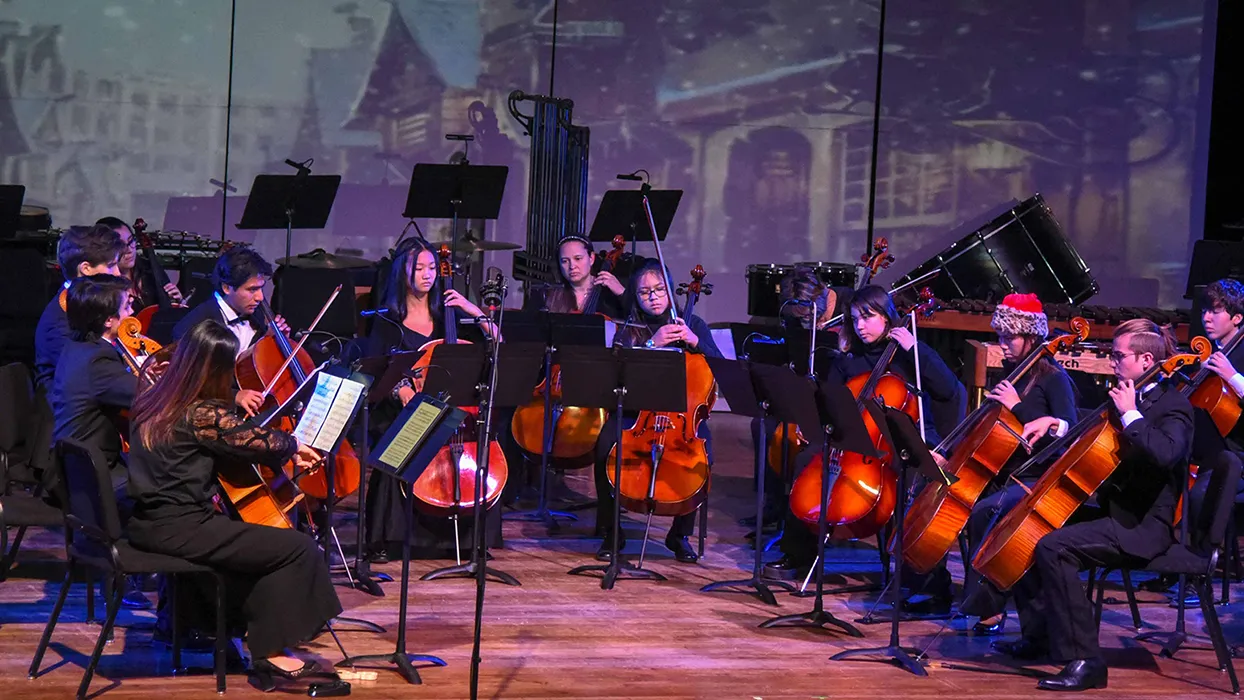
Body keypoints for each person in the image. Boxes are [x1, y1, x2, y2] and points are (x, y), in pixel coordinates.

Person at [125, 318, 342, 689]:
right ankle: (270, 651)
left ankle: (248, 634)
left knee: (259, 550)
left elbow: (231, 439)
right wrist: (293, 447)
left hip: (148, 522)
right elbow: (248, 439)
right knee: (298, 548)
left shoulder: (154, 397)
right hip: (182, 527)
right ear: (216, 369)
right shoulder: (200, 414)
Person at [990, 318, 1192, 692]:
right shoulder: (1132, 394)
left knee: (1054, 548)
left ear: (1147, 359)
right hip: (1114, 510)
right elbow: (1094, 428)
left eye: (1118, 356)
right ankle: (1039, 637)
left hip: (1142, 527)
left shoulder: (1173, 405)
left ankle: (1086, 660)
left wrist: (1132, 414)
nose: (1112, 362)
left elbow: (1166, 453)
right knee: (1032, 525)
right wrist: (1055, 422)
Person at [766, 284, 963, 577]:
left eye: (868, 317)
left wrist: (915, 348)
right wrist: (815, 426)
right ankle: (798, 554)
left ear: (887, 317)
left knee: (912, 477)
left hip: (906, 440)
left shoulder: (909, 354)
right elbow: (829, 401)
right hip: (856, 441)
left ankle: (918, 576)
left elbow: (950, 390)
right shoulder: (849, 359)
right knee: (807, 460)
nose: (860, 326)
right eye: (855, 319)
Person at [934, 294, 1080, 629]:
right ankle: (953, 591)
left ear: (1031, 337)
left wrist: (1017, 406)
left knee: (987, 509)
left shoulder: (1054, 378)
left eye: (1009, 337)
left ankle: (990, 606)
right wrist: (949, 450)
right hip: (1005, 469)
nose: (1003, 344)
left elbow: (1070, 428)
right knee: (957, 495)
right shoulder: (1014, 371)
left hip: (1038, 476)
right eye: (1000, 336)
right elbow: (985, 423)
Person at [364, 237, 501, 561]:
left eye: (431, 268)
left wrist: (473, 310)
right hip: (405, 409)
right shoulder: (387, 321)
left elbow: (497, 342)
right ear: (403, 273)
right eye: (419, 268)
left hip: (450, 410)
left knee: (480, 441)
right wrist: (403, 391)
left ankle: (470, 537)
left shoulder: (447, 318)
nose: (428, 274)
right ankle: (389, 537)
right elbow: (379, 371)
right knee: (397, 441)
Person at [594, 259, 722, 563]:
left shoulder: (693, 325)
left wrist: (695, 341)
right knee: (603, 447)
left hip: (684, 416)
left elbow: (721, 366)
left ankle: (679, 535)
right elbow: (617, 371)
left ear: (670, 290)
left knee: (705, 457)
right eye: (644, 292)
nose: (652, 297)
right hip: (638, 414)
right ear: (635, 297)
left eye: (658, 289)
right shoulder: (630, 327)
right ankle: (613, 532)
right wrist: (653, 343)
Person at [50, 273, 150, 610]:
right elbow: (152, 398)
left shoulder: (79, 347)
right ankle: (167, 586)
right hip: (96, 480)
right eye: (127, 306)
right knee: (173, 494)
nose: (133, 310)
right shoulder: (99, 361)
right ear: (109, 320)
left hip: (78, 471)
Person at [172, 246, 291, 418]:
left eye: (261, 288)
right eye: (252, 290)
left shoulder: (255, 312)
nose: (260, 297)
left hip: (255, 409)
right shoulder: (193, 326)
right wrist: (233, 395)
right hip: (213, 416)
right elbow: (184, 382)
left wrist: (271, 344)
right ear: (227, 288)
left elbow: (250, 366)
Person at [34, 224, 125, 392]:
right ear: (86, 269)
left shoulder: (92, 306)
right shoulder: (59, 324)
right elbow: (90, 377)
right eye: (112, 265)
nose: (118, 273)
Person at [96, 216, 184, 310]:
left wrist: (178, 301)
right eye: (121, 246)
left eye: (131, 241)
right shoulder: (103, 285)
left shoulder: (149, 268)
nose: (129, 250)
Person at [529, 236, 628, 317]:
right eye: (565, 261)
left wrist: (622, 293)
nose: (572, 266)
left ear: (591, 258)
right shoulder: (548, 294)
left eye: (578, 258)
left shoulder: (609, 293)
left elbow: (638, 324)